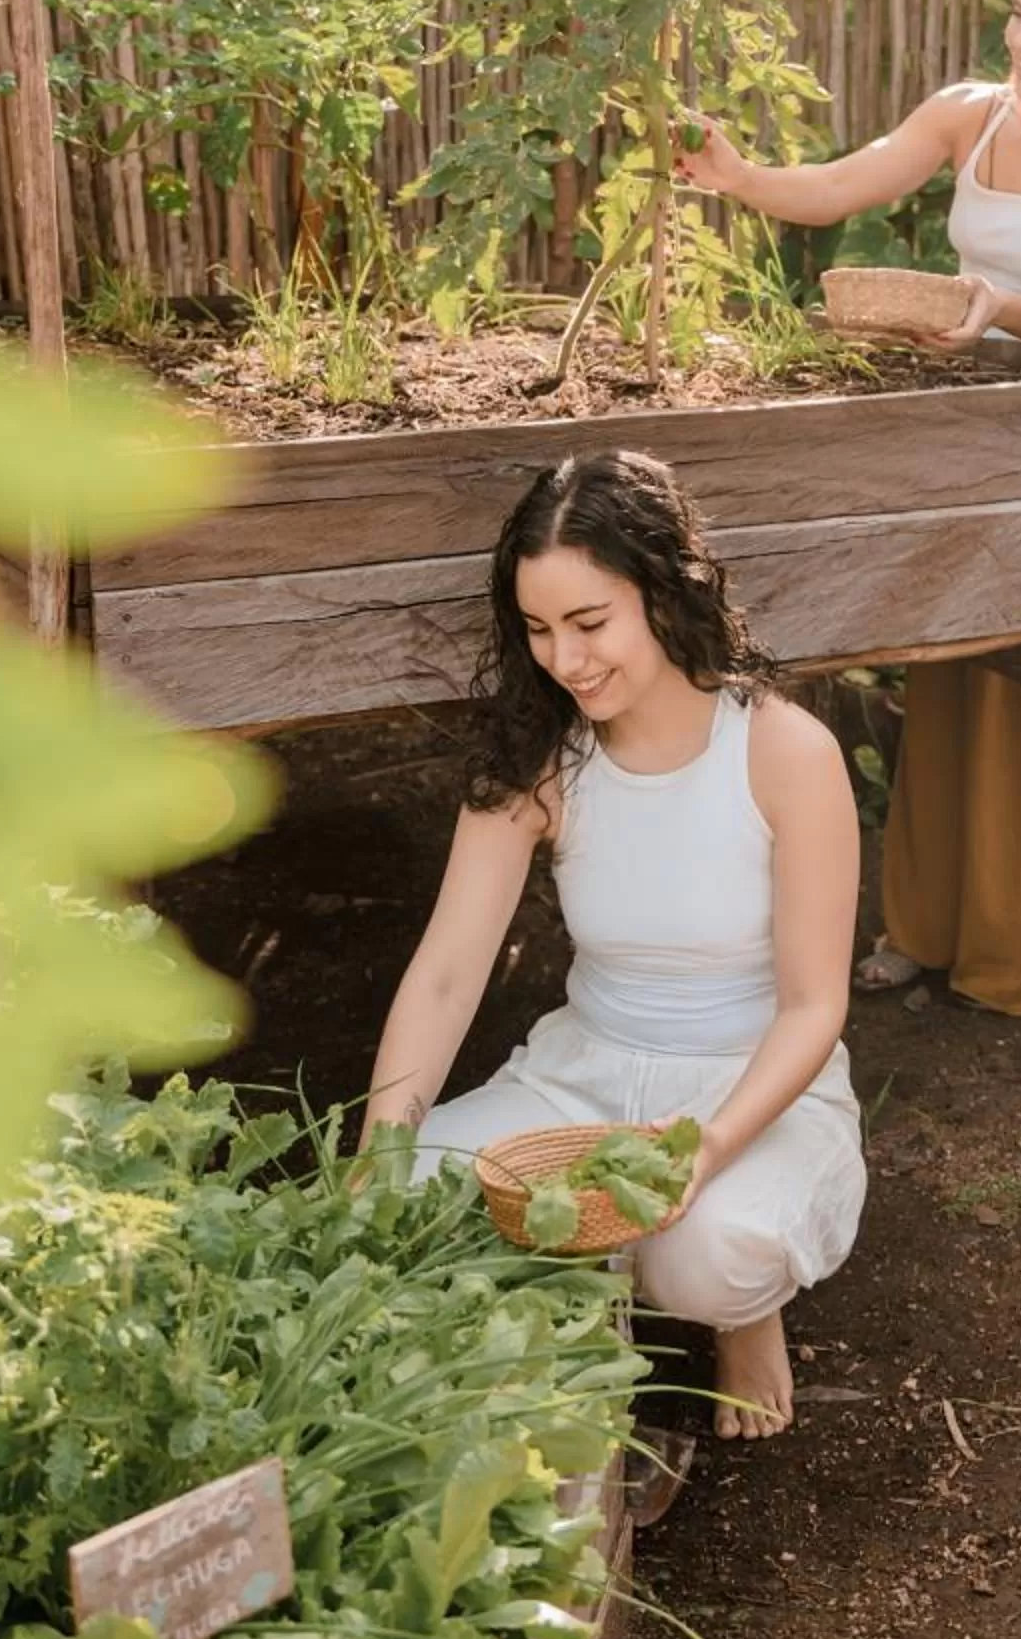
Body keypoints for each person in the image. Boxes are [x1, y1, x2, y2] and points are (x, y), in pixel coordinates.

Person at [674, 0, 1021, 1018]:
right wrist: (733, 177)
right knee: (943, 670)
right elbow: (835, 186)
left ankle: (1015, 954)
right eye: (1017, 13)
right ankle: (921, 926)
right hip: (956, 433)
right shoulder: (970, 115)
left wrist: (995, 307)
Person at [362, 448, 864, 1440]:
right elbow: (448, 971)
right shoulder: (541, 756)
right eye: (539, 630)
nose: (566, 660)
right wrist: (381, 1144)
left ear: (665, 594)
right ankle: (581, 1307)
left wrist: (704, 1151)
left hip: (747, 1087)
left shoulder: (781, 751)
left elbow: (814, 1006)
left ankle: (739, 1314)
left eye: (590, 623)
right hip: (580, 1079)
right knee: (407, 1201)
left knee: (707, 1253)